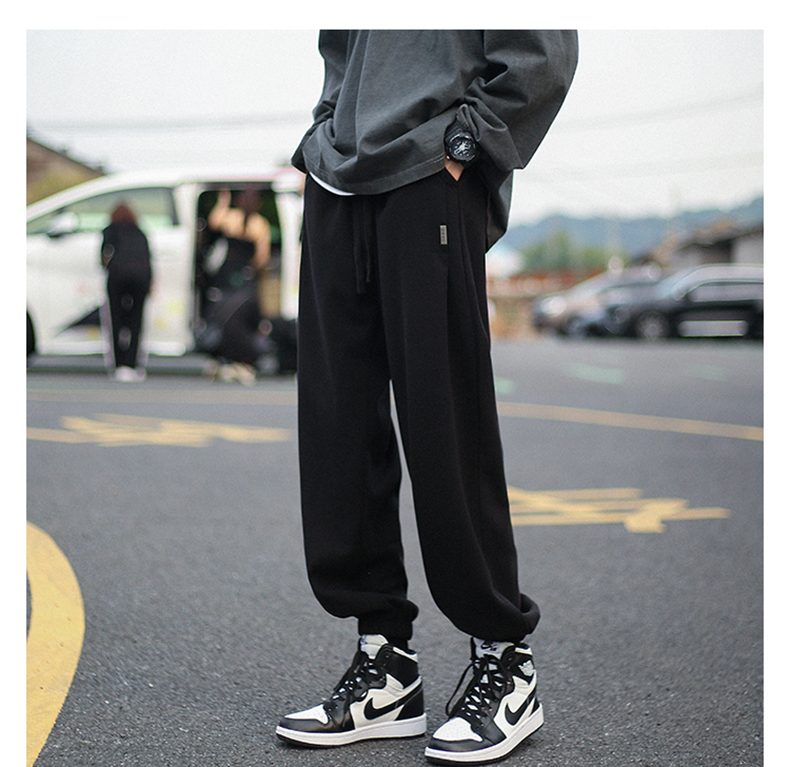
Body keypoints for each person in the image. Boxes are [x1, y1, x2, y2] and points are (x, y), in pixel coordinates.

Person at [276, 30, 578, 764]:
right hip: (337, 183)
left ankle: (504, 658)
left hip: (428, 172)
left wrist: (464, 145)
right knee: (338, 430)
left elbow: (543, 55)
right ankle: (386, 664)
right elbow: (342, 51)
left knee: (447, 425)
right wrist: (323, 133)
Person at [201, 188, 275, 382]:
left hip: (225, 275)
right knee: (243, 319)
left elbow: (213, 222)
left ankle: (222, 357)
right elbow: (263, 257)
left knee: (222, 315)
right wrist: (250, 271)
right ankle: (242, 359)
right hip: (245, 277)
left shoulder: (230, 217)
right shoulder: (260, 224)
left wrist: (223, 201)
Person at [101, 202, 153, 381]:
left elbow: (103, 255)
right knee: (136, 321)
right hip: (141, 276)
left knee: (116, 319)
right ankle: (133, 364)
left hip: (118, 275)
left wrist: (108, 266)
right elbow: (148, 257)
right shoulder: (140, 232)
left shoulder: (110, 230)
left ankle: (119, 365)